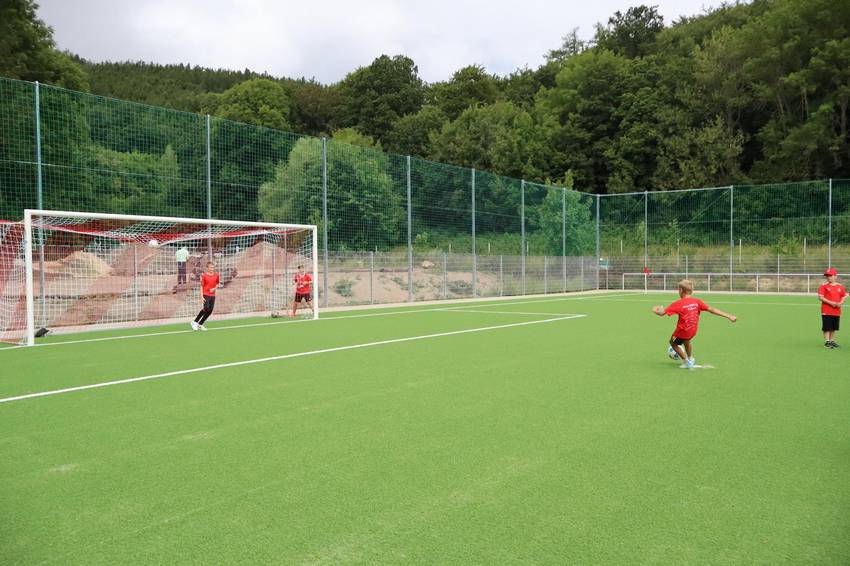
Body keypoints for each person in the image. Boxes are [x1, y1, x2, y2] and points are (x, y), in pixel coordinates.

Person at [652, 279, 737, 369]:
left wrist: (655, 309)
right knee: (687, 340)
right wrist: (729, 316)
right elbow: (711, 309)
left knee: (673, 343)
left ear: (680, 290)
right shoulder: (697, 301)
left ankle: (686, 362)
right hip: (693, 329)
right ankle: (691, 358)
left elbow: (661, 313)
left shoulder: (678, 304)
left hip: (682, 331)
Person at [818, 267, 846, 349]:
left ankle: (832, 340)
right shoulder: (824, 286)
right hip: (826, 310)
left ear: (835, 276)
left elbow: (843, 296)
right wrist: (832, 303)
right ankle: (827, 341)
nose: (828, 277)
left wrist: (840, 303)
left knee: (834, 327)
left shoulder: (840, 287)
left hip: (836, 311)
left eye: (830, 275)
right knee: (827, 327)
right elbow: (820, 297)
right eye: (827, 276)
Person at [191, 262, 219, 331]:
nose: (212, 269)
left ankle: (200, 324)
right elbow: (201, 287)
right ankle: (194, 322)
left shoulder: (216, 275)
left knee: (210, 310)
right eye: (210, 267)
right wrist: (201, 297)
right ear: (207, 268)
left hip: (213, 295)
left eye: (213, 267)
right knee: (206, 308)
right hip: (205, 294)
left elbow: (217, 284)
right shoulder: (204, 276)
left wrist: (214, 289)